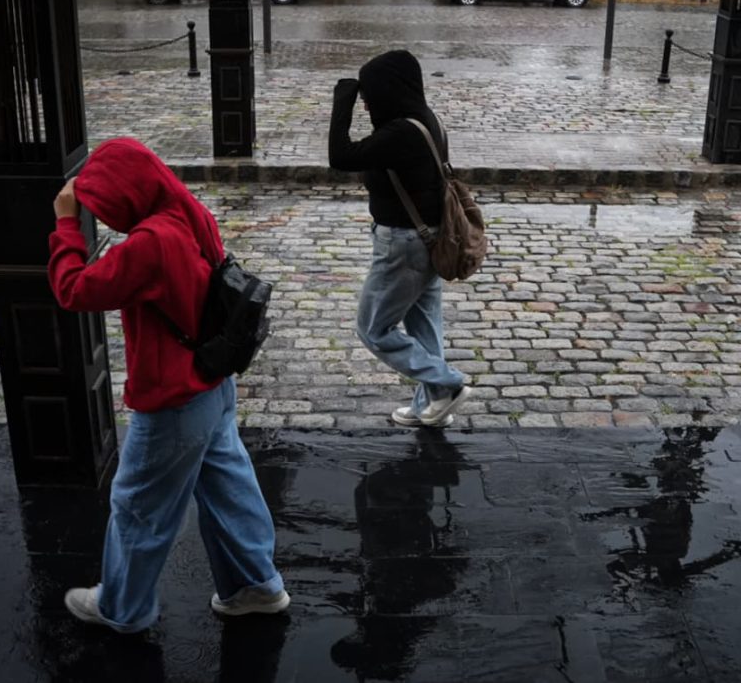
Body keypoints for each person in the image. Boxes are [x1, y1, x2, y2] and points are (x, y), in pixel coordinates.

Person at [48, 137, 288, 633]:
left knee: (137, 506)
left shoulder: (150, 244)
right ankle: (255, 586)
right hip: (212, 383)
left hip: (174, 398)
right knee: (230, 488)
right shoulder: (189, 213)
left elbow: (74, 289)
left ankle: (123, 608)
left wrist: (67, 222)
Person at [328, 50, 473, 427]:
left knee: (373, 328)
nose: (368, 102)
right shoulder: (426, 121)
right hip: (429, 238)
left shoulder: (401, 133)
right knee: (425, 328)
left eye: (370, 94)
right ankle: (434, 406)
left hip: (403, 246)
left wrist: (341, 101)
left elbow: (340, 156)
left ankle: (447, 384)